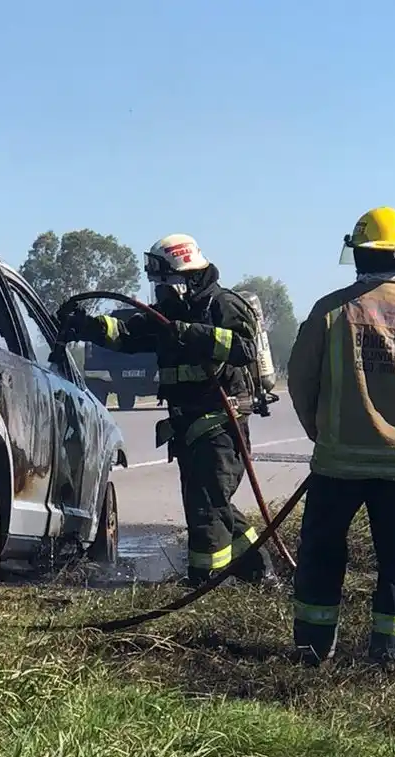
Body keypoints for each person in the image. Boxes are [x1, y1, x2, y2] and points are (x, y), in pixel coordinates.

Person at [287, 207, 395, 672]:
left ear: (358, 253)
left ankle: (311, 652)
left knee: (321, 556)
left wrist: (322, 431)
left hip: (337, 465)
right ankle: (390, 658)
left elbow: (300, 381)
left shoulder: (331, 310)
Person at [63, 233, 275, 587]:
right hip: (188, 424)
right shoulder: (169, 313)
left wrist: (190, 333)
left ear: (186, 278)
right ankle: (260, 570)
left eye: (165, 284)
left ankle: (203, 580)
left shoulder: (224, 305)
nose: (160, 294)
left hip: (222, 424)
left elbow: (244, 348)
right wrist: (89, 326)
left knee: (206, 508)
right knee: (213, 503)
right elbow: (129, 334)